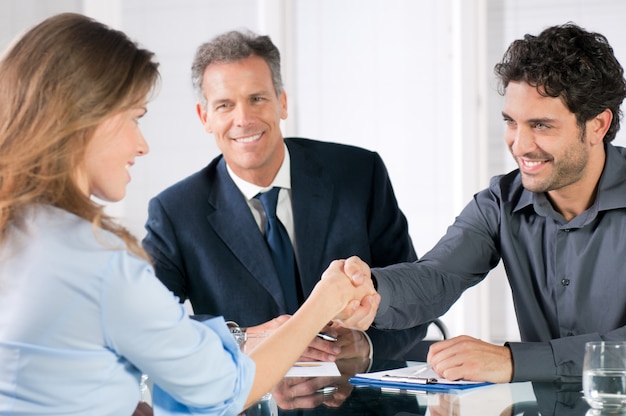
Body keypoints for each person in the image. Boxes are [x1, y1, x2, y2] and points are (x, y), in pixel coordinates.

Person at [0, 13, 375, 416]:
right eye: (134, 118)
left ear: (282, 102)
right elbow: (224, 392)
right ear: (82, 122)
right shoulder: (104, 260)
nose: (142, 145)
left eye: (257, 98)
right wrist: (324, 301)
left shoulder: (19, 234)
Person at [340, 22, 626, 384]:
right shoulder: (501, 202)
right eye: (511, 122)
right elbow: (437, 275)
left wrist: (513, 361)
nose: (520, 145)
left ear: (598, 125)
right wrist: (371, 291)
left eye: (541, 125)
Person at [142, 30, 427, 362]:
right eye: (224, 105)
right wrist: (244, 339)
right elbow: (150, 328)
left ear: (282, 102)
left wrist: (367, 346)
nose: (243, 119)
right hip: (251, 403)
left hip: (358, 397)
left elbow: (414, 297)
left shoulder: (360, 174)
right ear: (205, 117)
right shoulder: (175, 213)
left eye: (257, 98)